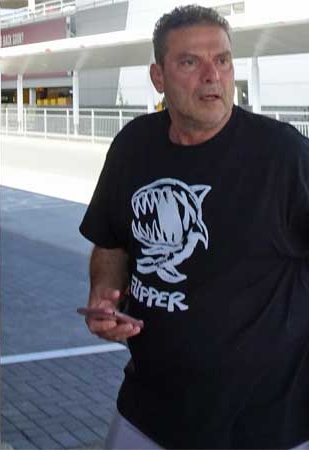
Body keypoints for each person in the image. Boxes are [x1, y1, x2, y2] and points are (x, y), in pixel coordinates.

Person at [79, 5, 309, 449]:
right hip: (149, 410)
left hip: (265, 426)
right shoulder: (133, 145)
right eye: (190, 61)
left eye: (222, 59)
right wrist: (104, 294)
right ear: (158, 77)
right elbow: (110, 243)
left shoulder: (283, 156)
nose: (212, 75)